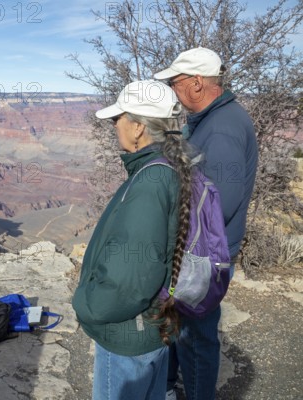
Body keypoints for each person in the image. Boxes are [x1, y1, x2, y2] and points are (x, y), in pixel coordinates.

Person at [72, 80, 195, 400]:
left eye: (118, 118)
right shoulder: (165, 167)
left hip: (129, 335)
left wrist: (86, 305)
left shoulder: (151, 181)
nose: (115, 125)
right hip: (152, 328)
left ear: (138, 127)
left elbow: (132, 276)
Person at [154, 47, 258, 400]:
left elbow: (217, 207)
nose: (173, 89)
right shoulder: (209, 121)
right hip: (195, 251)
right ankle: (167, 387)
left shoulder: (223, 129)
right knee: (178, 325)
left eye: (175, 82)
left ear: (197, 83)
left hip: (203, 255)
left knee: (197, 337)